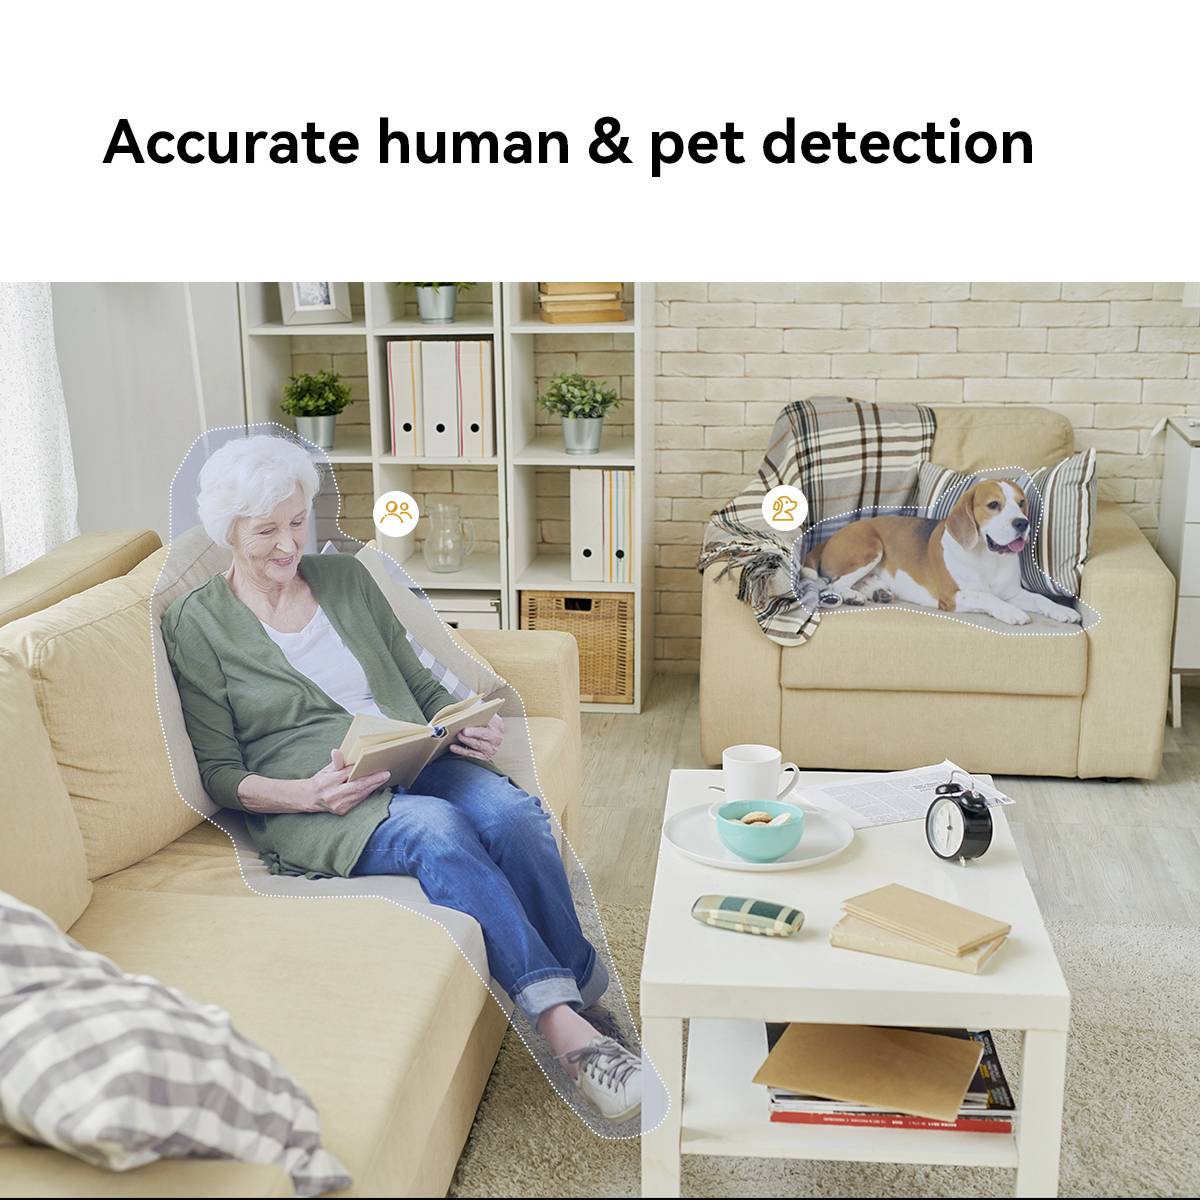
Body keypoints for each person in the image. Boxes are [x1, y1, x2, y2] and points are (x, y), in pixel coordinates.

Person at [161, 434, 640, 1121]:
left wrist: (467, 719)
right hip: (324, 801)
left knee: (514, 816)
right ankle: (567, 1032)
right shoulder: (196, 624)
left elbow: (420, 684)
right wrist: (306, 794)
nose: (287, 545)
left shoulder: (347, 579)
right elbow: (220, 770)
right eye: (265, 530)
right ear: (226, 531)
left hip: (411, 757)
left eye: (297, 523)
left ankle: (585, 996)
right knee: (437, 830)